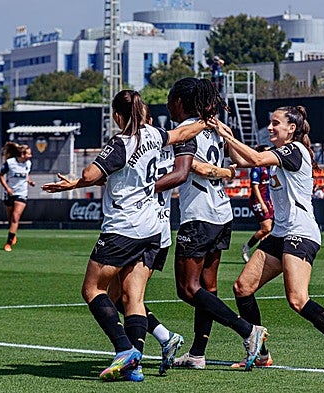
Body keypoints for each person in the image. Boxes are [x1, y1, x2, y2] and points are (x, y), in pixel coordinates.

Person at [42, 90, 209, 382]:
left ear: (117, 116)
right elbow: (184, 132)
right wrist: (206, 121)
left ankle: (124, 349)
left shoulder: (121, 142)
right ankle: (136, 367)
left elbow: (91, 174)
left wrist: (80, 178)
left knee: (93, 289)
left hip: (123, 227)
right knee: (134, 298)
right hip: (152, 228)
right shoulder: (156, 135)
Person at [214, 105, 324, 371]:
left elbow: (256, 160)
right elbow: (243, 160)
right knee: (242, 288)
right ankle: (260, 353)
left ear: (291, 129)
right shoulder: (278, 153)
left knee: (297, 299)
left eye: (275, 123)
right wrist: (225, 134)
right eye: (270, 123)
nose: (270, 128)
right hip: (281, 233)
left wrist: (228, 137)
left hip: (301, 232)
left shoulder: (295, 150)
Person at [154, 77, 267, 372]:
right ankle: (197, 354)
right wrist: (227, 168)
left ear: (179, 103)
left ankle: (247, 330)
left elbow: (192, 166)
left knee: (188, 289)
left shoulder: (186, 131)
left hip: (199, 214)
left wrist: (219, 171)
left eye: (170, 102)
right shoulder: (216, 129)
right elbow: (240, 162)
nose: (170, 107)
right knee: (208, 287)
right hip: (221, 214)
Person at [107, 105, 184, 376]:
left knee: (129, 297)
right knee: (119, 297)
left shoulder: (138, 147)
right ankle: (164, 337)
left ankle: (133, 360)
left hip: (143, 228)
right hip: (154, 228)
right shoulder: (163, 145)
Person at [0, 142, 35, 252]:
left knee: (15, 217)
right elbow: (0, 176)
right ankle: (13, 234)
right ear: (22, 154)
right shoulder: (10, 163)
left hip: (22, 193)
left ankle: (8, 243)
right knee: (10, 219)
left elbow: (26, 174)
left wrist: (29, 181)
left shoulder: (28, 163)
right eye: (29, 154)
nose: (30, 156)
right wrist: (7, 188)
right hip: (10, 193)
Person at [241, 145, 274, 263]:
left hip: (267, 200)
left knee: (269, 230)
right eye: (266, 151)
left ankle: (261, 255)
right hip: (258, 201)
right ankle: (247, 247)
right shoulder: (257, 168)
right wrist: (262, 203)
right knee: (266, 228)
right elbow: (255, 187)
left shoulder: (269, 168)